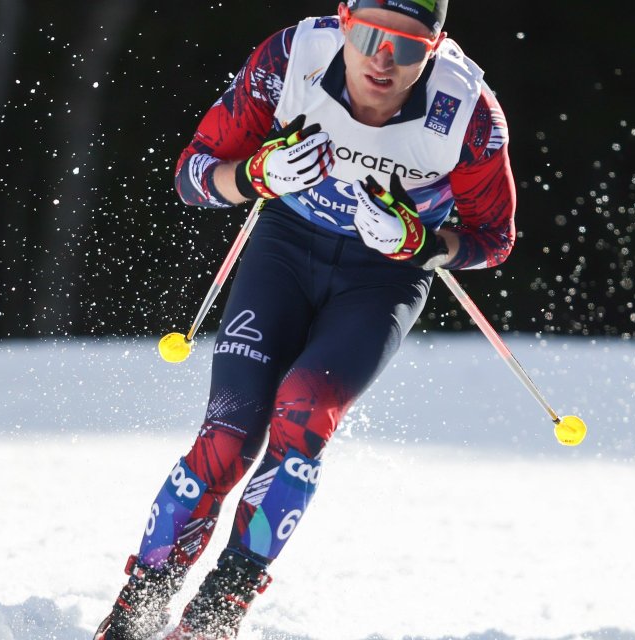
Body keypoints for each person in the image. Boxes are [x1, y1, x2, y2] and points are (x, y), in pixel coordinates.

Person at [96, 1, 515, 638]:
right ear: (344, 23)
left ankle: (216, 613)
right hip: (287, 248)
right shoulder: (291, 58)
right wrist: (258, 176)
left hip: (383, 278)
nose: (383, 59)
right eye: (371, 36)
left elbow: (494, 238)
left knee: (302, 415)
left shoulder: (469, 111)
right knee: (229, 436)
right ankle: (138, 608)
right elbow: (192, 175)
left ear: (435, 47)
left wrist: (420, 244)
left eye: (407, 46)